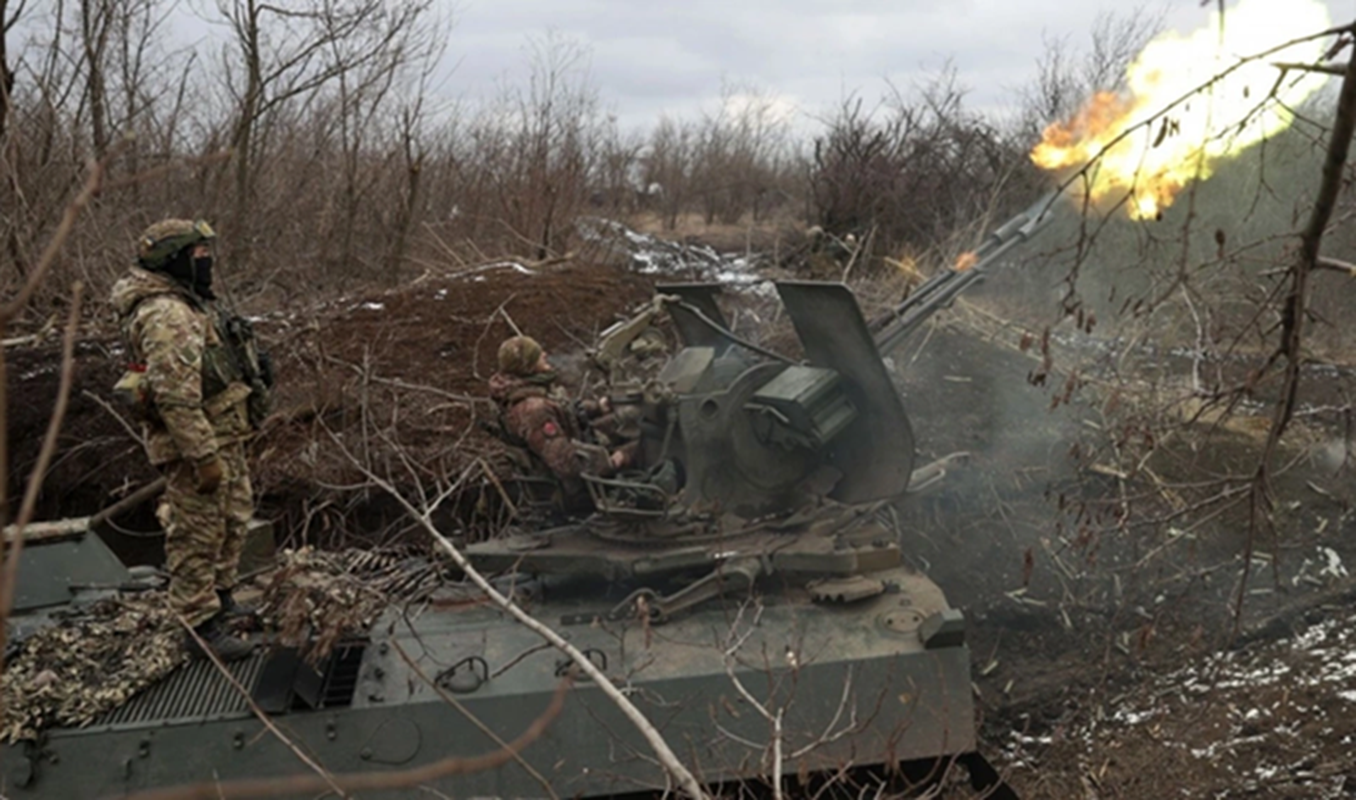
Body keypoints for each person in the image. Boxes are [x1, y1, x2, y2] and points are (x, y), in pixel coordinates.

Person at [110, 219, 268, 662]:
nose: (207, 261)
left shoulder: (191, 304)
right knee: (197, 532)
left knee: (233, 518)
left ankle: (219, 598)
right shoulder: (167, 314)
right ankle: (198, 626)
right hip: (194, 444)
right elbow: (174, 397)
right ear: (175, 259)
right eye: (199, 254)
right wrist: (201, 457)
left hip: (223, 433)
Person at [488, 335, 638, 499]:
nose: (544, 354)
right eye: (537, 355)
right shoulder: (533, 411)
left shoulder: (522, 391)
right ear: (527, 366)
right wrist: (614, 460)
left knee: (624, 419)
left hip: (573, 448)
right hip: (573, 488)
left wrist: (598, 407)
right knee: (644, 441)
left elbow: (562, 411)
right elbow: (566, 463)